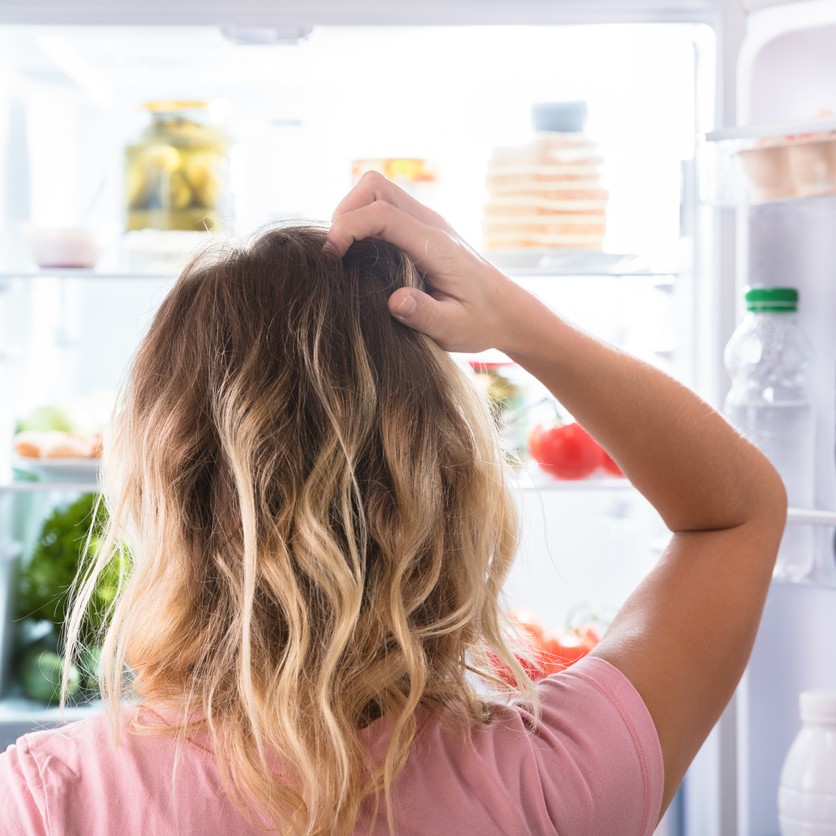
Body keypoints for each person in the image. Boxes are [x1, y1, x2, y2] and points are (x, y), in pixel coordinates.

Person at [0, 172, 786, 835]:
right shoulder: (556, 779)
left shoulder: (51, 798)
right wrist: (518, 323)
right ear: (452, 481)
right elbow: (737, 513)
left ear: (158, 488)